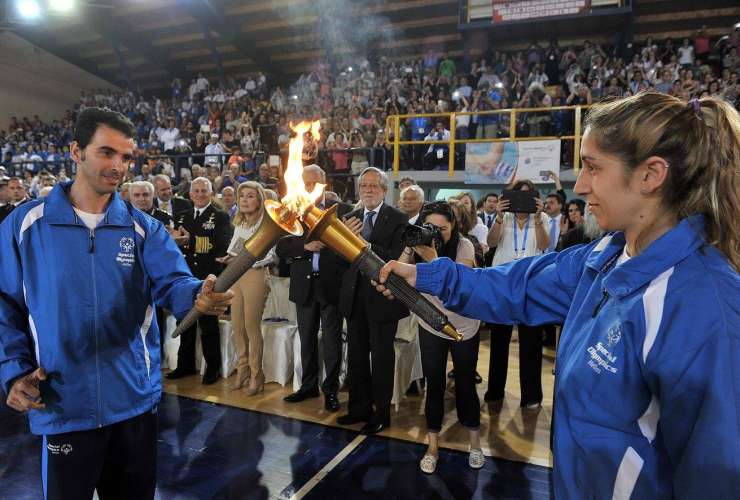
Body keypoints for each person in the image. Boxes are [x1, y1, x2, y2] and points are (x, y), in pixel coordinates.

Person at [376, 93, 740, 499]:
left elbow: (716, 479)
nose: (580, 185)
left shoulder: (708, 310)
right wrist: (422, 273)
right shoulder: (604, 257)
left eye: (592, 167)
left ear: (650, 175)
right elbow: (512, 286)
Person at [0, 107, 232, 500]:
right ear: (76, 151)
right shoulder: (25, 226)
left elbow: (173, 282)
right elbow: (4, 306)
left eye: (126, 157)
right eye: (107, 153)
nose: (119, 166)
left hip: (133, 404)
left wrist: (197, 294)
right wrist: (13, 372)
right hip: (61, 404)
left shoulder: (144, 228)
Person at [398, 201, 484, 474]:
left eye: (443, 229)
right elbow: (397, 275)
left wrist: (432, 256)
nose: (436, 233)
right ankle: (432, 445)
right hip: (430, 321)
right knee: (434, 384)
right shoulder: (418, 244)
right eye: (430, 228)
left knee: (465, 382)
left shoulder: (465, 246)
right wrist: (410, 247)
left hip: (463, 324)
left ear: (454, 227)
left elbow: (460, 285)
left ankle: (475, 442)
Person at [336, 167, 408, 434]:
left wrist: (363, 243)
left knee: (381, 359)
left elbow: (397, 257)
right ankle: (358, 409)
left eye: (373, 186)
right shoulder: (350, 218)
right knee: (355, 357)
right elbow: (341, 259)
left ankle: (381, 413)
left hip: (382, 299)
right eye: (363, 185)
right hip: (354, 299)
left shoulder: (399, 218)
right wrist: (343, 240)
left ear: (384, 190)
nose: (367, 190)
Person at [276, 165, 352, 411]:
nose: (308, 188)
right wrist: (305, 247)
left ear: (323, 183)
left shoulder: (341, 212)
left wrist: (330, 243)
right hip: (303, 286)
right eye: (305, 183)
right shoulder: (291, 213)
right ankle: (307, 386)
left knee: (331, 341)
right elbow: (281, 248)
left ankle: (330, 390)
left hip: (331, 285)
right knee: (306, 338)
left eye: (313, 183)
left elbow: (350, 251)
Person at [484, 180, 550, 407]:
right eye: (518, 196)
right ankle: (494, 391)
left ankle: (531, 396)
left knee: (531, 341)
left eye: (528, 196)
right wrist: (500, 217)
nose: (522, 201)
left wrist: (539, 218)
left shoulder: (542, 219)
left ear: (535, 198)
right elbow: (491, 242)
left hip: (532, 283)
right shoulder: (505, 218)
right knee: (499, 340)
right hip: (502, 281)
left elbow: (544, 245)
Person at [168, 177, 233, 385]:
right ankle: (184, 365)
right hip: (185, 277)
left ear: (211, 193)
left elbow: (222, 246)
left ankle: (212, 368)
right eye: (195, 191)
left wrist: (191, 241)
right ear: (190, 194)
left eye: (204, 191)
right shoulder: (182, 216)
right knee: (184, 321)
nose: (199, 194)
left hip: (208, 277)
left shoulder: (220, 217)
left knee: (208, 323)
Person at [218, 181, 274, 396]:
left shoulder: (267, 223)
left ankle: (256, 374)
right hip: (236, 276)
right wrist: (229, 258)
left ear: (259, 199)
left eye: (250, 196)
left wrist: (245, 261)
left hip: (256, 276)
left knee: (251, 326)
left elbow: (270, 255)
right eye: (242, 197)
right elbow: (234, 249)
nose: (245, 200)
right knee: (237, 325)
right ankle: (242, 371)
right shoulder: (239, 223)